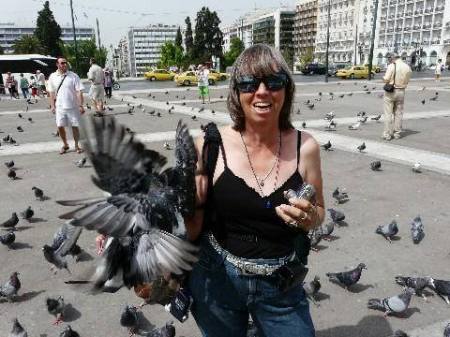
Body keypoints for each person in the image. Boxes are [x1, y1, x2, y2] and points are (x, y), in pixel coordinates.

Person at [185, 44, 325, 337]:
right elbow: (190, 222)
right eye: (249, 83)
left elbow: (320, 211)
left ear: (287, 90)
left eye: (274, 82)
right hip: (216, 277)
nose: (262, 91)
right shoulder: (208, 145)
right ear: (236, 92)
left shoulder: (306, 147)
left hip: (281, 285)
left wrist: (310, 218)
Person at [48, 57, 85, 154]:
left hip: (73, 106)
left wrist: (80, 105)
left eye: (66, 63)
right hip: (60, 106)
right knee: (60, 126)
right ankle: (65, 145)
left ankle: (77, 145)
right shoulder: (52, 76)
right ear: (57, 64)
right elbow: (51, 93)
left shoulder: (73, 76)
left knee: (74, 126)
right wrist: (52, 106)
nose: (65, 64)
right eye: (62, 63)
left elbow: (79, 91)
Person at [382, 53, 412, 141]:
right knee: (399, 113)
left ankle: (387, 134)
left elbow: (386, 78)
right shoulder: (407, 67)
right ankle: (397, 134)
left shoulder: (392, 65)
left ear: (393, 58)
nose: (389, 60)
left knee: (388, 113)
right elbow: (407, 79)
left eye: (389, 58)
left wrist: (383, 79)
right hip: (401, 91)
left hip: (391, 91)